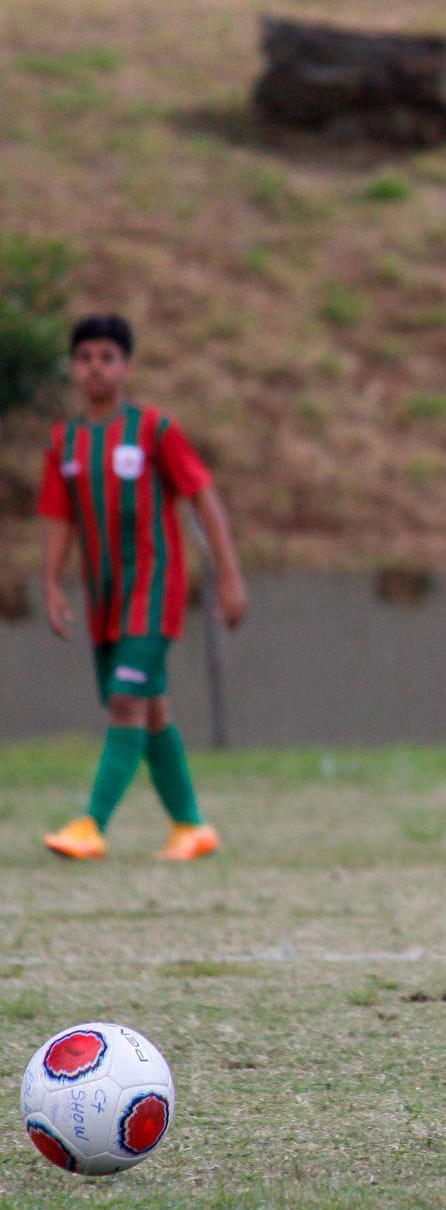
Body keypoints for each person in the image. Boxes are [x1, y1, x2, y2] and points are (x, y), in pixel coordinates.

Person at [38, 314, 247, 862]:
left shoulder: (155, 431)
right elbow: (59, 518)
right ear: (73, 367)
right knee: (150, 711)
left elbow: (203, 497)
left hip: (152, 594)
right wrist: (53, 585)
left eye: (106, 356)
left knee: (127, 702)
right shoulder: (66, 441)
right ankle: (191, 826)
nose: (95, 367)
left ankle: (91, 825)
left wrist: (228, 576)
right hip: (104, 598)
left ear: (126, 366)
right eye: (85, 357)